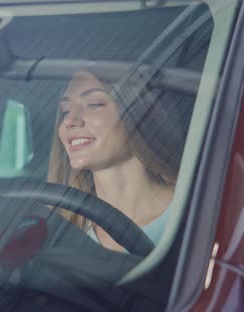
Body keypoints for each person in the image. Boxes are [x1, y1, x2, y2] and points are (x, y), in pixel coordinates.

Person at [48, 70, 187, 252]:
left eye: (93, 104)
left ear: (138, 113)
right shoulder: (63, 230)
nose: (69, 121)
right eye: (65, 110)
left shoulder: (194, 213)